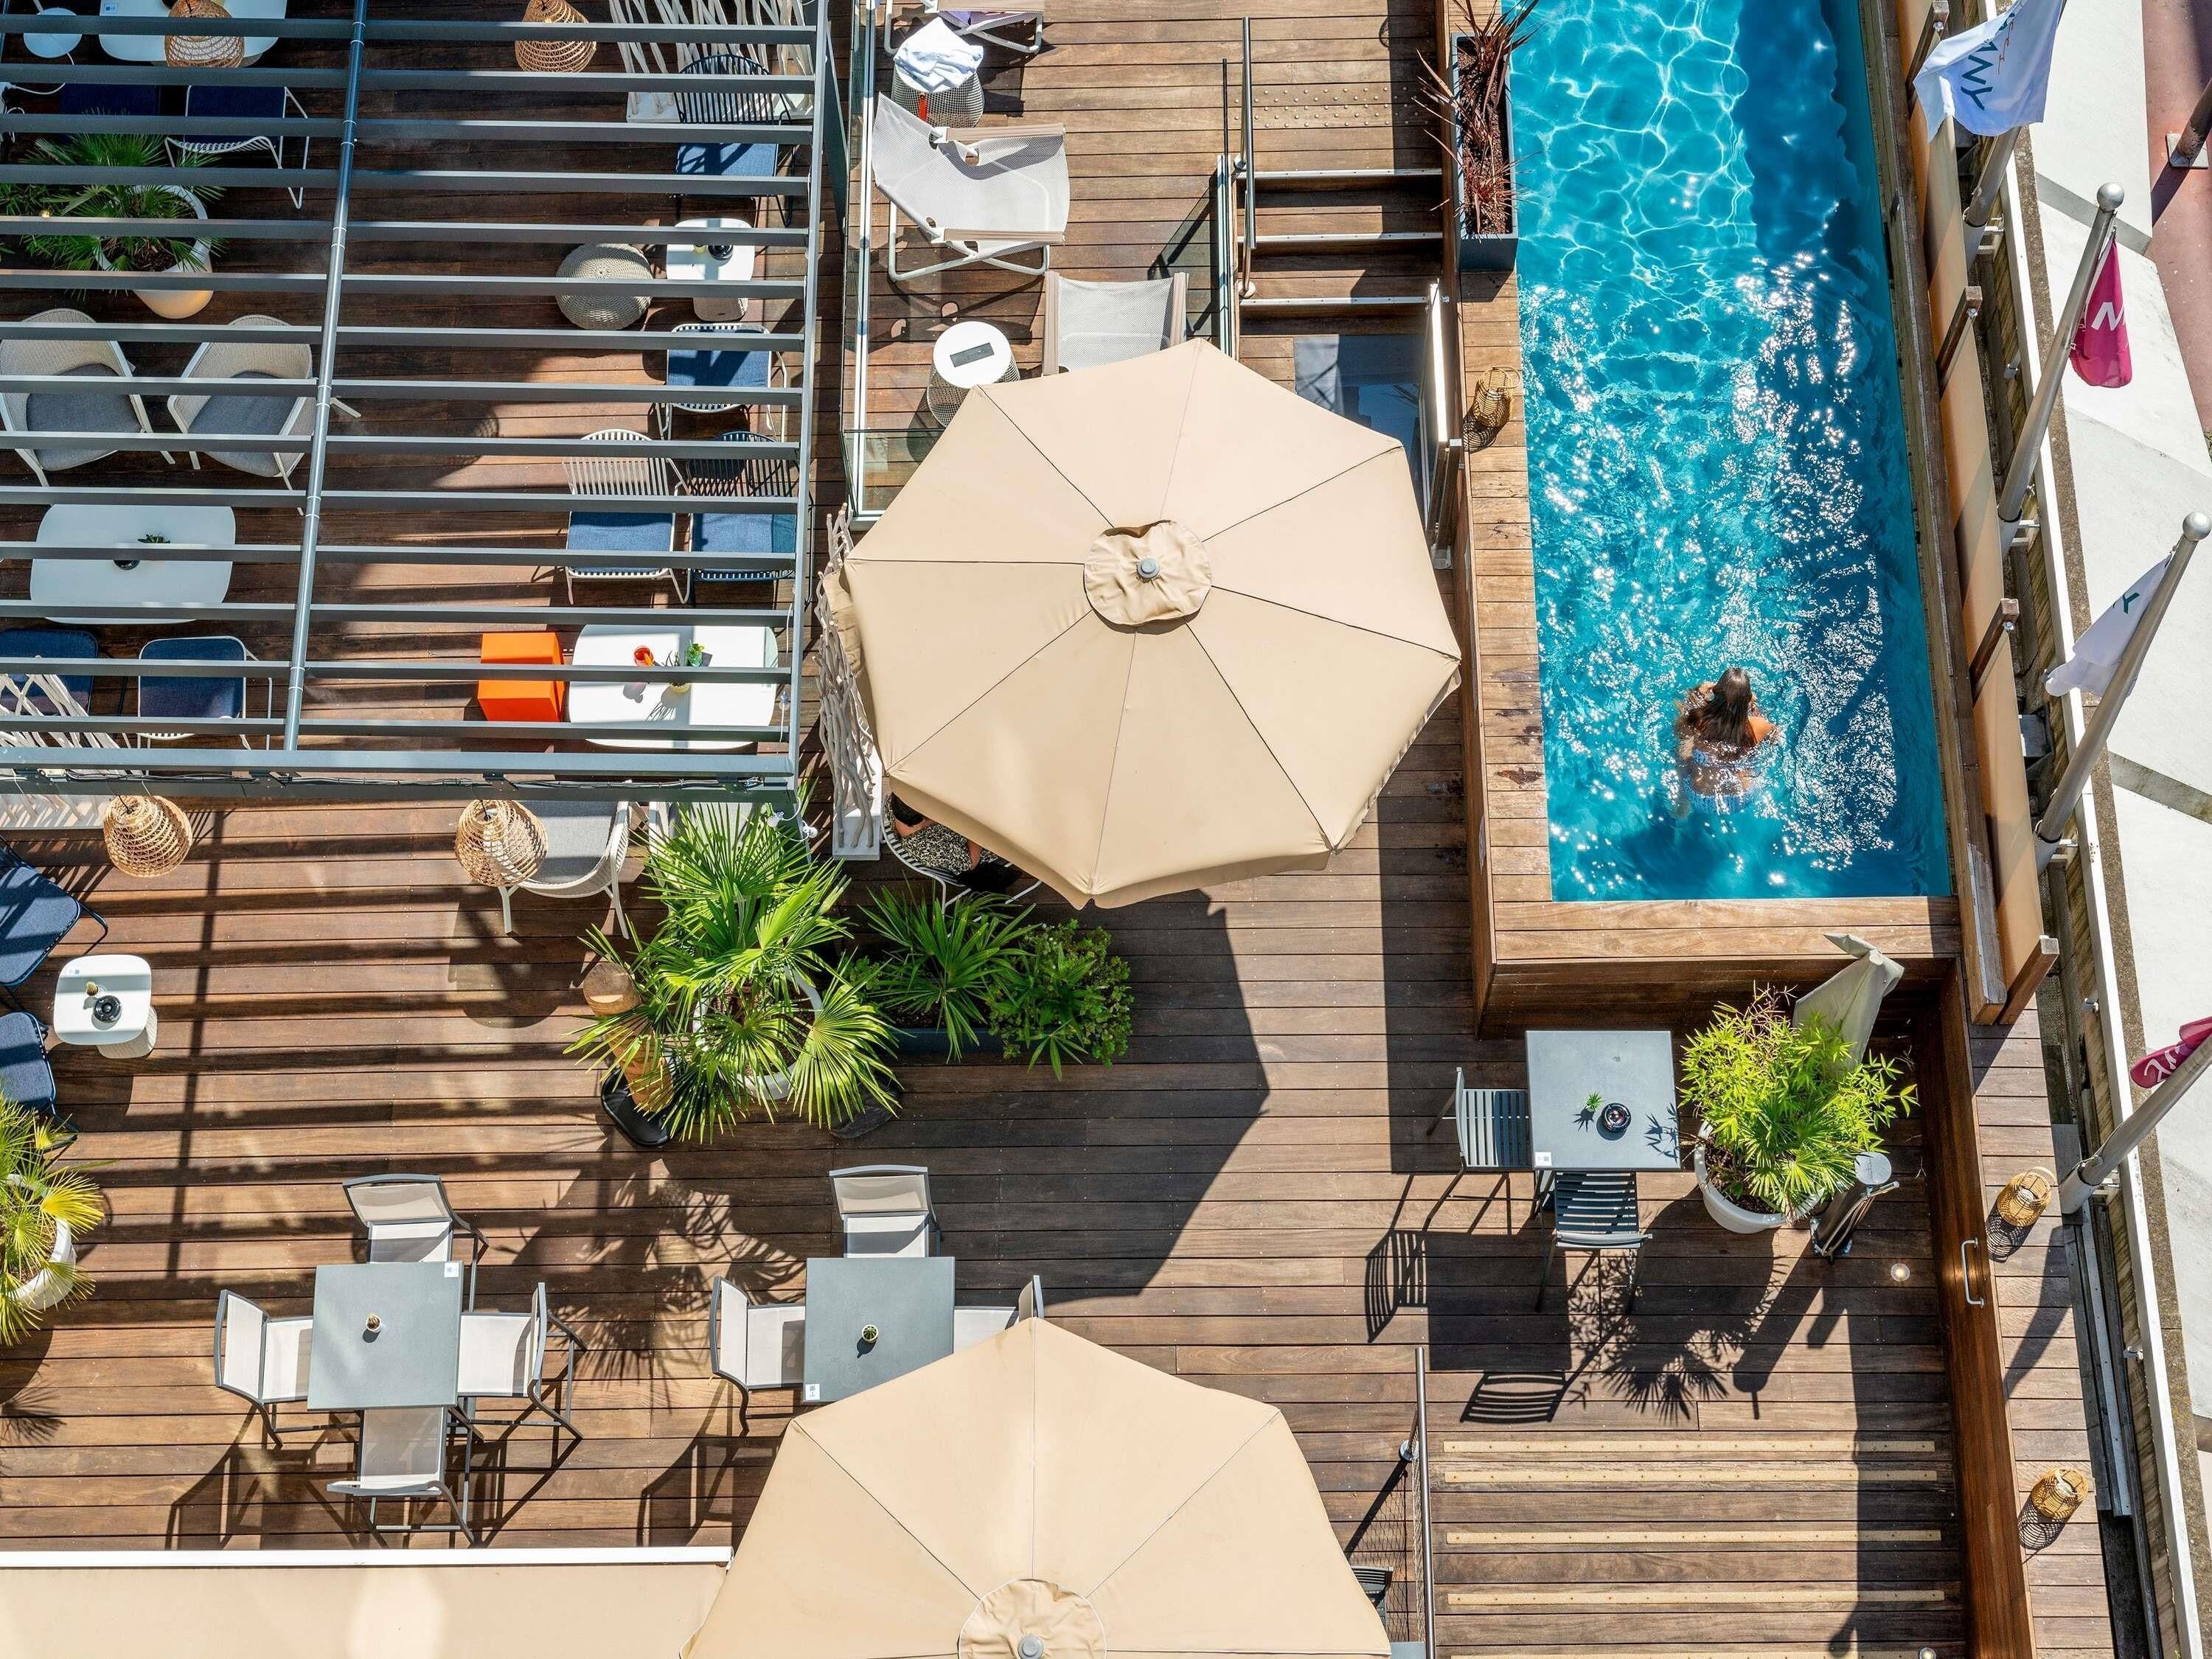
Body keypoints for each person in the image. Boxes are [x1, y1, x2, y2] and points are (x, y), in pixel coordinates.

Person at [1673, 667, 1777, 813]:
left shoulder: (1698, 720)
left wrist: (1697, 690)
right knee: (1749, 758)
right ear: (1747, 699)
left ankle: (1682, 802)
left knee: (1682, 750)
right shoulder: (1760, 725)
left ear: (1716, 692)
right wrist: (1754, 707)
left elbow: (1679, 728)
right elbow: (1775, 736)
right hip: (1742, 798)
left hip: (1700, 797)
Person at [887, 796, 1020, 893]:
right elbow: (972, 862)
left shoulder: (899, 804)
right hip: (983, 839)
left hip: (963, 818)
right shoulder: (930, 850)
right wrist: (974, 827)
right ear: (926, 818)